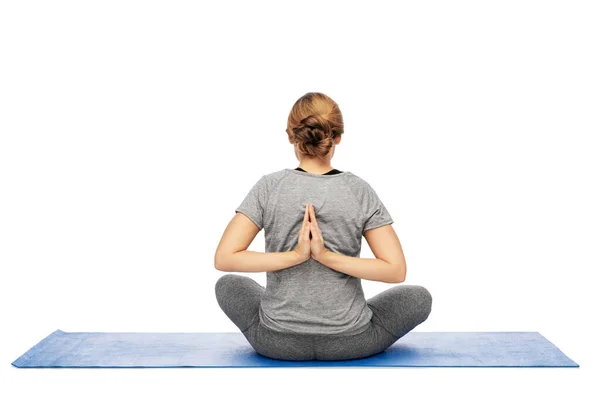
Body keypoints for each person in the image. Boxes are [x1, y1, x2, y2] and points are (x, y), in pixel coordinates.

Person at [214, 92, 432, 361]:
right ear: (338, 136)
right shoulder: (358, 190)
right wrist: (326, 256)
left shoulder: (269, 187)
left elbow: (225, 258)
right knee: (419, 298)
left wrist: (296, 256)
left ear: (291, 136)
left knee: (228, 284)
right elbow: (396, 271)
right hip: (351, 342)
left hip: (277, 342)